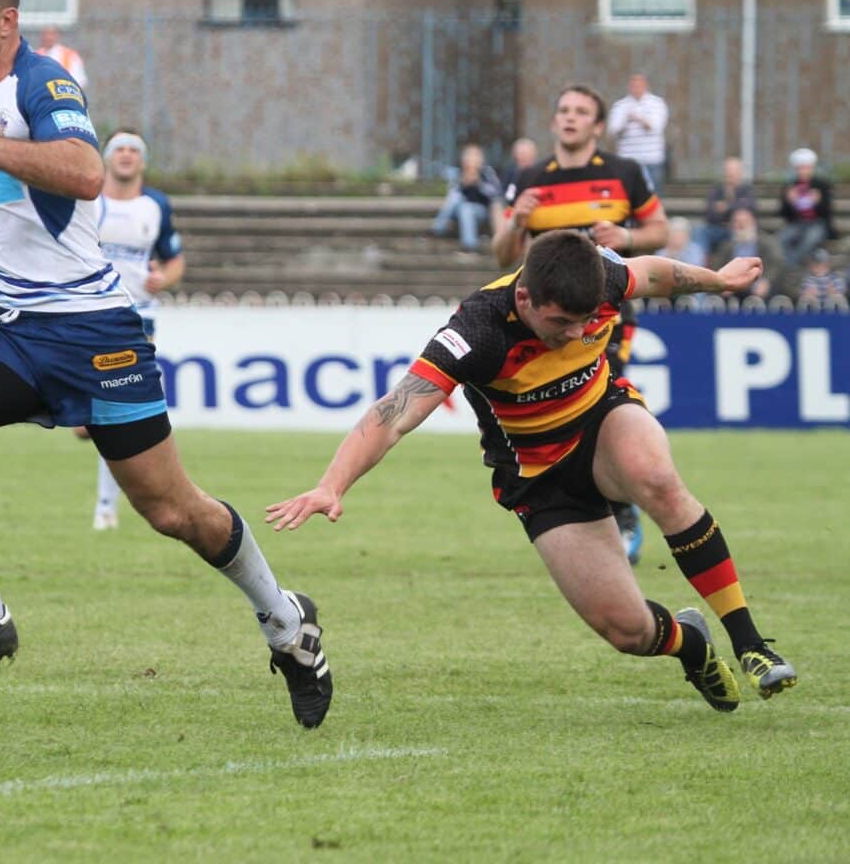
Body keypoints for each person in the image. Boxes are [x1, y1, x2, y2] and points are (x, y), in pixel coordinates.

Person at [0, 0, 330, 728]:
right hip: (14, 330)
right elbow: (10, 231)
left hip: (95, 335)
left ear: (6, 21)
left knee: (174, 513)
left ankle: (288, 623)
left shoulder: (42, 81)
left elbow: (84, 174)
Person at [268, 230, 798, 712]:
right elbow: (395, 412)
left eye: (586, 320)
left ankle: (751, 643)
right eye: (561, 323)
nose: (576, 334)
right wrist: (331, 485)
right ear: (525, 298)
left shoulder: (602, 276)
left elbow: (658, 273)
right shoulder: (477, 330)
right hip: (539, 478)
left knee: (655, 477)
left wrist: (717, 279)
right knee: (627, 631)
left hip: (602, 420)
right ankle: (692, 643)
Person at [492, 83, 669, 564]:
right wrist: (516, 223)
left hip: (606, 318)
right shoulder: (529, 178)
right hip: (541, 325)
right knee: (558, 423)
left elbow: (661, 231)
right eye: (563, 110)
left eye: (581, 112)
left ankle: (623, 510)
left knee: (600, 411)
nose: (569, 118)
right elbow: (502, 255)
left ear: (596, 126)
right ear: (554, 122)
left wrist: (628, 235)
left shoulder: (625, 173)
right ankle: (585, 515)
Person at [75, 128, 185, 530]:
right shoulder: (87, 200)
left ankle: (107, 507)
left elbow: (174, 262)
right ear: (106, 157)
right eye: (118, 148)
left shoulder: (156, 205)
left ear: (142, 160)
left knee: (117, 411)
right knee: (85, 426)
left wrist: (164, 280)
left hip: (138, 316)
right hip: (88, 312)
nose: (125, 155)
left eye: (133, 150)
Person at [430, 143, 501, 254]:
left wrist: (479, 184)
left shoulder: (487, 173)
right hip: (457, 211)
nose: (471, 159)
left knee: (466, 208)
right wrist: (462, 183)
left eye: (475, 156)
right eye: (468, 156)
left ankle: (469, 246)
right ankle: (438, 229)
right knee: (456, 198)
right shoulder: (457, 174)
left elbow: (496, 194)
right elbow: (451, 197)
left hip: (480, 211)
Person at [608, 73, 668, 194]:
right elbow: (612, 130)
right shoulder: (620, 105)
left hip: (651, 159)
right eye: (633, 85)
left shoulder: (657, 103)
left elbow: (657, 126)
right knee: (627, 194)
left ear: (645, 86)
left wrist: (638, 118)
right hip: (627, 159)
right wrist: (626, 120)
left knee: (652, 196)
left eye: (639, 85)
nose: (636, 88)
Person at [778, 148, 837, 269]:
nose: (803, 171)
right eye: (800, 168)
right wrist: (790, 202)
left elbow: (827, 213)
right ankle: (791, 265)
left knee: (809, 240)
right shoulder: (790, 186)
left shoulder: (821, 185)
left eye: (806, 167)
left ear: (812, 168)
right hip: (797, 223)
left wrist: (818, 202)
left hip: (818, 224)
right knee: (781, 239)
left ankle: (790, 267)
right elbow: (783, 214)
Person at [691, 157, 757, 261]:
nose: (730, 175)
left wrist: (726, 206)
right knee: (700, 231)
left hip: (737, 229)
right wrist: (734, 206)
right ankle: (700, 263)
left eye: (734, 171)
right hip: (718, 228)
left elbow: (749, 208)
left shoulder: (747, 189)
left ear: (740, 173)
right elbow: (709, 213)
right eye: (728, 171)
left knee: (743, 233)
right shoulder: (717, 189)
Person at [710, 207, 780, 300]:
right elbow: (716, 266)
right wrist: (723, 282)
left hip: (758, 284)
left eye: (745, 221)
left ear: (753, 223)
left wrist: (766, 281)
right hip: (732, 285)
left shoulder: (767, 242)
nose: (741, 225)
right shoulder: (726, 246)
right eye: (737, 221)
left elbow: (776, 264)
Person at [34, 24, 87, 89]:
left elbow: (79, 80)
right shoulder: (34, 56)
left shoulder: (70, 56)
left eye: (51, 34)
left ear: (58, 36)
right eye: (45, 34)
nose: (48, 37)